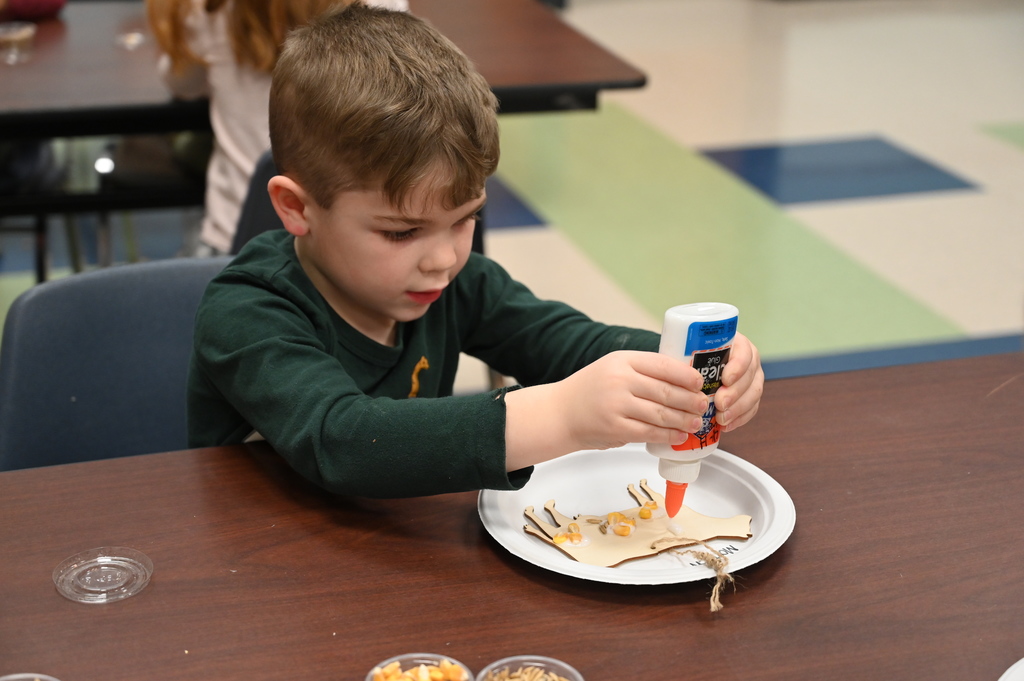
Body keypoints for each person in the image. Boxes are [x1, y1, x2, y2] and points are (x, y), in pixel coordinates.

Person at [187, 4, 764, 498]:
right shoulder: (248, 310)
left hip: (391, 562)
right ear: (297, 208)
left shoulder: (458, 285)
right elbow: (343, 439)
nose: (443, 259)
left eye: (466, 220)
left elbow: (570, 343)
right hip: (252, 580)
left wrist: (686, 371)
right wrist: (562, 415)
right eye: (400, 232)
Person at [147, 0, 407, 255]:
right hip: (344, 241)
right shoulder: (381, 4)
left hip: (236, 241)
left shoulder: (208, 10)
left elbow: (183, 84)